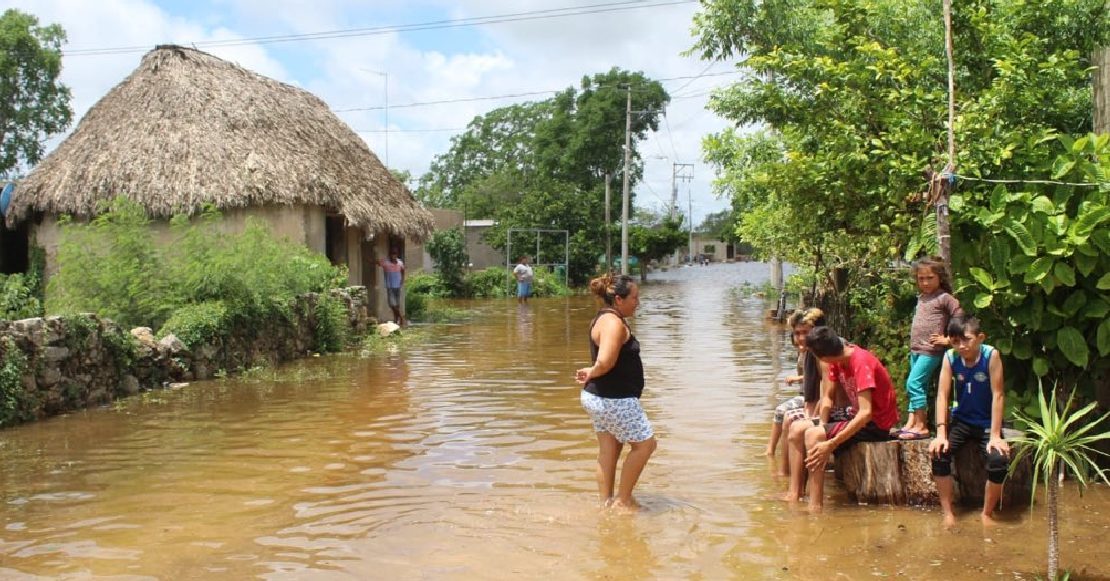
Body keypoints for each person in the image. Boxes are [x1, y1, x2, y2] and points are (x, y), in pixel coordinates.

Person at [793, 327, 899, 512]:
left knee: (813, 436)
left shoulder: (861, 361)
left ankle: (815, 506)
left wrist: (831, 443)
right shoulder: (838, 360)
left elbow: (866, 413)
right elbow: (828, 397)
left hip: (876, 424)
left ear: (823, 355)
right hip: (857, 416)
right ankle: (795, 494)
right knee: (797, 428)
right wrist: (824, 427)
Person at [575, 273, 656, 510]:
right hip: (614, 400)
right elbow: (606, 361)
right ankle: (622, 501)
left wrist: (593, 372)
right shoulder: (613, 323)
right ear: (619, 300)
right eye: (635, 297)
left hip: (601, 397)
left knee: (609, 449)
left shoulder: (604, 318)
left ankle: (606, 503)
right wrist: (593, 370)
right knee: (646, 445)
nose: (638, 302)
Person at [928, 315, 1010, 528]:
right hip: (961, 420)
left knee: (999, 461)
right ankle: (948, 513)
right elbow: (942, 395)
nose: (961, 346)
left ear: (980, 338)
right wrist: (941, 433)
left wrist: (994, 435)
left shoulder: (991, 356)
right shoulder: (950, 358)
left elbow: (998, 395)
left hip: (986, 422)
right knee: (939, 453)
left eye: (966, 339)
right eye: (955, 341)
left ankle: (987, 513)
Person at [897, 256, 962, 440]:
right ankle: (911, 422)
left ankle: (922, 425)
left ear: (940, 277)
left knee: (914, 383)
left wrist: (949, 339)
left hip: (930, 351)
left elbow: (960, 317)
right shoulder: (922, 297)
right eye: (921, 279)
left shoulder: (945, 298)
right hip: (916, 349)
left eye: (929, 278)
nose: (925, 282)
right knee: (915, 385)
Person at [765, 308, 828, 476]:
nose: (801, 338)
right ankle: (783, 470)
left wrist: (813, 420)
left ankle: (788, 476)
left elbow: (825, 392)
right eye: (797, 333)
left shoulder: (822, 352)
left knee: (788, 417)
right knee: (787, 417)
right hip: (818, 400)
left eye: (805, 333)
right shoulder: (808, 353)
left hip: (834, 407)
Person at [378, 248, 405, 326]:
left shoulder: (400, 263)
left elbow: (403, 271)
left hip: (398, 286)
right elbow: (377, 262)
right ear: (390, 255)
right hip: (390, 286)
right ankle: (401, 317)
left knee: (396, 305)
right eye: (393, 254)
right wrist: (369, 260)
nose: (394, 255)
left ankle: (395, 320)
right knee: (392, 304)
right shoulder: (386, 263)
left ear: (397, 255)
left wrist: (402, 280)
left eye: (395, 254)